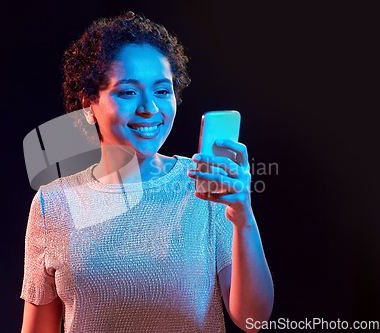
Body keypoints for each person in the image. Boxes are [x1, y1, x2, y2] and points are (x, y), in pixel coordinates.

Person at [20, 11, 273, 333]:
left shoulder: (208, 189)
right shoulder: (52, 203)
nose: (150, 109)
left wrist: (243, 217)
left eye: (162, 91)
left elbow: (252, 320)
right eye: (128, 92)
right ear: (88, 106)